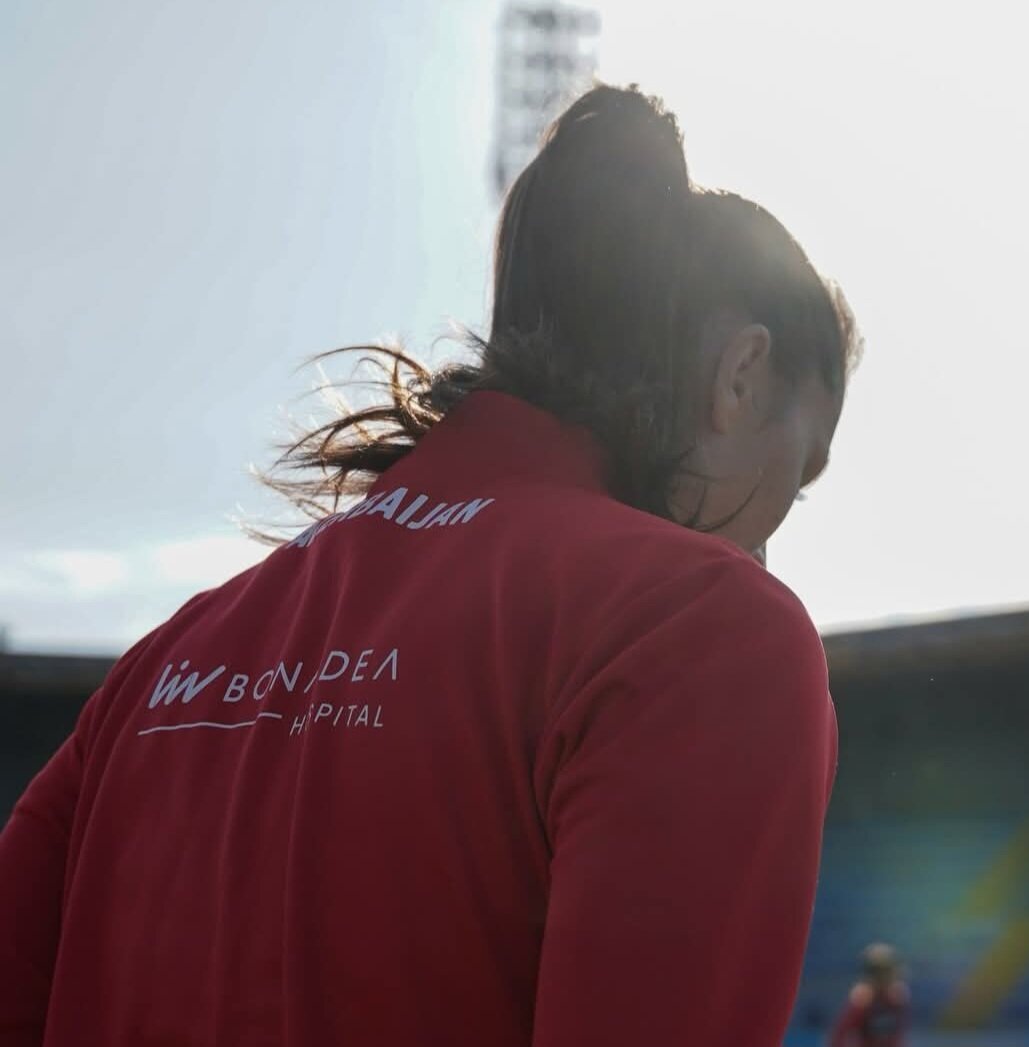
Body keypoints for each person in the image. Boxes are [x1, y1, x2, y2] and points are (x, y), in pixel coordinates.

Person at [0, 84, 860, 1047]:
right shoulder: (700, 629)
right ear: (741, 377)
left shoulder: (156, 671)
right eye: (801, 471)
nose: (773, 531)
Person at [829, 943, 911, 1047]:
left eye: (887, 971)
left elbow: (899, 1034)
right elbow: (839, 1035)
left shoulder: (898, 998)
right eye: (878, 971)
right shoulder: (861, 1001)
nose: (883, 977)